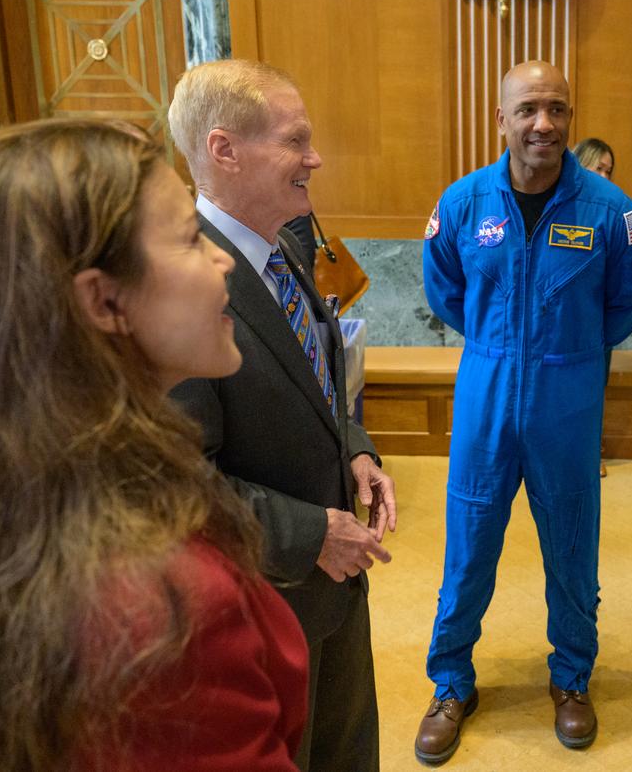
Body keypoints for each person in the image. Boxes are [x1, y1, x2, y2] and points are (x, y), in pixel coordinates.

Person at [0, 119, 308, 770]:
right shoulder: (161, 614)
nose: (222, 259)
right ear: (105, 299)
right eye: (189, 241)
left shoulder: (20, 480)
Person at [419, 60, 632, 763]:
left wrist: (570, 350)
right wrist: (503, 344)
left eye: (556, 109)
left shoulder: (613, 211)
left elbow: (630, 300)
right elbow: (446, 292)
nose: (543, 123)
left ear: (570, 119)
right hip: (485, 399)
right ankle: (451, 682)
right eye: (527, 110)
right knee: (467, 549)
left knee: (574, 551)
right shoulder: (463, 204)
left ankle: (572, 678)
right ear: (501, 120)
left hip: (568, 401)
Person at [168, 59, 394, 772]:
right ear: (224, 150)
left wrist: (355, 446)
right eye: (295, 142)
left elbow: (320, 371)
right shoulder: (180, 284)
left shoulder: (287, 246)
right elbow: (177, 481)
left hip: (335, 588)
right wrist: (309, 534)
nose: (314, 159)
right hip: (258, 605)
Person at [573, 136, 619, 478]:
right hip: (563, 321)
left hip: (598, 323)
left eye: (609, 170)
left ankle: (589, 452)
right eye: (597, 167)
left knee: (593, 391)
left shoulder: (612, 212)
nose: (603, 176)